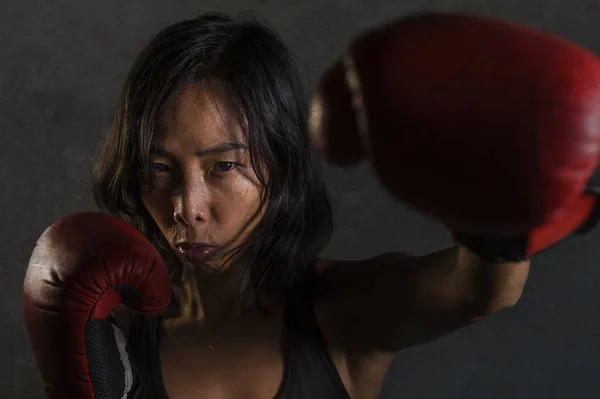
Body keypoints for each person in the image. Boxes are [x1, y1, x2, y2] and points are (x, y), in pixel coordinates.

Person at [22, 11, 600, 399]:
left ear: (280, 163)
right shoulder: (109, 332)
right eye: (159, 170)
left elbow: (482, 292)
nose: (187, 207)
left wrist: (497, 203)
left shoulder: (343, 314)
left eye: (224, 167)